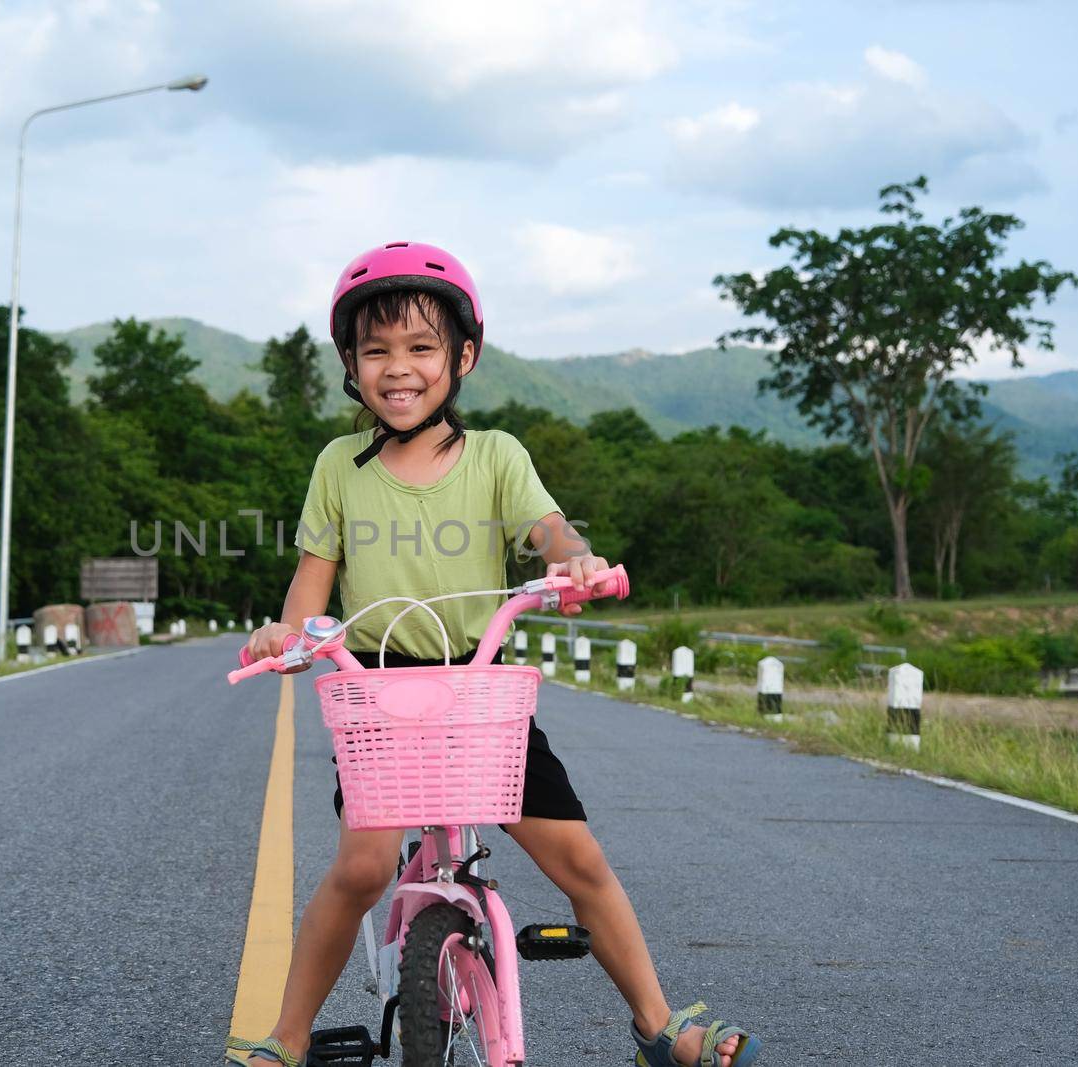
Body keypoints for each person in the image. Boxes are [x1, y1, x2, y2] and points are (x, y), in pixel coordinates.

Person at [226, 242, 760, 1067]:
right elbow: (311, 589)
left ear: (463, 355)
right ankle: (286, 1038)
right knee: (363, 867)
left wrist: (573, 560)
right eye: (376, 351)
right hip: (380, 690)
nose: (397, 369)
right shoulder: (338, 466)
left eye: (420, 348)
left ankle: (660, 1023)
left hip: (477, 689)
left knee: (579, 860)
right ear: (350, 364)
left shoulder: (496, 455)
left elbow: (549, 530)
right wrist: (287, 634)